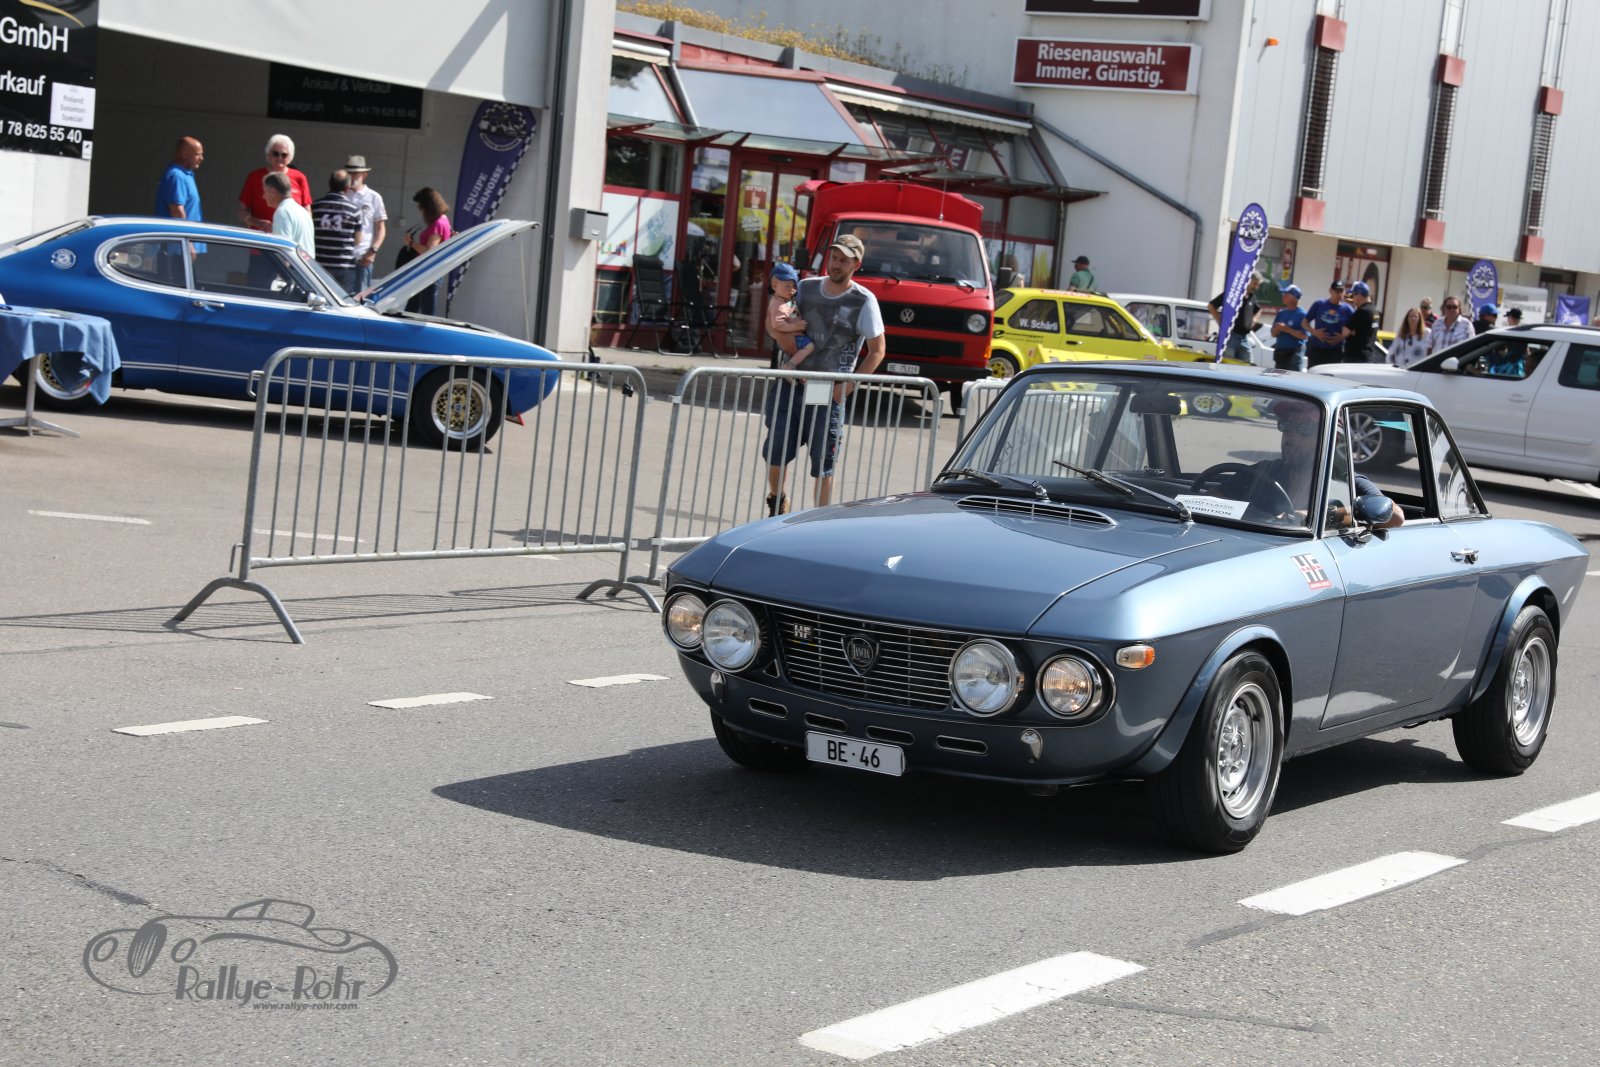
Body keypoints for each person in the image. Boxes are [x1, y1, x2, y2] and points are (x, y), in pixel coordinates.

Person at [762, 233, 886, 514]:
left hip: (826, 389)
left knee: (822, 463)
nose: (836, 264)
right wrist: (781, 338)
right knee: (776, 451)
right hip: (791, 383)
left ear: (856, 264)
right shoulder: (805, 288)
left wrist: (847, 389)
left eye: (844, 260)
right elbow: (773, 321)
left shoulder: (863, 300)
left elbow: (877, 351)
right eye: (834, 257)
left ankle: (820, 520)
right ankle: (777, 501)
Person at [1210, 400, 1403, 529]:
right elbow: (1209, 501)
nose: (1291, 437)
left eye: (1304, 428)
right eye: (1286, 425)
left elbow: (1395, 515)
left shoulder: (1347, 482)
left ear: (1332, 439)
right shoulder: (1262, 473)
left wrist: (1319, 517)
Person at [238, 133, 311, 232]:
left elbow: (307, 212)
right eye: (275, 154)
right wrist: (257, 223)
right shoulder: (254, 177)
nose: (279, 158)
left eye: (284, 155)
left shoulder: (300, 178)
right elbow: (242, 211)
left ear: (290, 157)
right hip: (260, 235)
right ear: (268, 154)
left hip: (288, 237)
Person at [311, 170, 361, 293]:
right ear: (347, 188)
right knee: (342, 300)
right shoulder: (354, 210)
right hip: (344, 265)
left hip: (319, 264)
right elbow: (358, 240)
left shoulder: (315, 206)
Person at [404, 188, 452, 315]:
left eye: (421, 207)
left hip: (429, 274)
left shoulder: (438, 224)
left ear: (428, 207)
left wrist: (411, 243)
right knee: (411, 311)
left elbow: (429, 251)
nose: (420, 211)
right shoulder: (444, 220)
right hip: (427, 273)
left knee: (424, 313)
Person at [344, 155, 388, 293]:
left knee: (360, 297)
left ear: (364, 175)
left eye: (356, 173)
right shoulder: (342, 195)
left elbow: (381, 228)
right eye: (349, 173)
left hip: (363, 257)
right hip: (342, 257)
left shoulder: (374, 197)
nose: (352, 177)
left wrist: (372, 251)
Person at [765, 261, 814, 369]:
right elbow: (778, 324)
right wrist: (796, 326)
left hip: (794, 334)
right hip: (794, 336)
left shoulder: (784, 299)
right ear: (774, 286)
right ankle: (790, 365)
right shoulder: (779, 305)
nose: (792, 289)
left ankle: (791, 366)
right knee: (809, 347)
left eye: (794, 286)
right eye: (787, 286)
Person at [1208, 271, 1263, 363]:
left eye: (1258, 285)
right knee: (1229, 366)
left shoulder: (1251, 296)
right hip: (1231, 336)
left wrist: (1254, 320)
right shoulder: (1233, 293)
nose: (1256, 287)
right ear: (1248, 281)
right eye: (1255, 284)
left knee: (1247, 366)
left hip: (1244, 338)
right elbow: (1211, 306)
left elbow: (1259, 310)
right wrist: (1220, 322)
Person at [264, 171, 314, 257]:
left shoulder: (282, 212)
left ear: (273, 192)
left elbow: (282, 252)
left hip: (292, 264)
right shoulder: (303, 212)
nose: (263, 196)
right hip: (305, 264)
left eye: (265, 191)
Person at [1304, 280, 1353, 367]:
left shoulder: (1348, 310)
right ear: (1330, 291)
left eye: (1341, 291)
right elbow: (1304, 322)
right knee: (1314, 373)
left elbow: (1353, 329)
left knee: (1331, 375)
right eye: (1336, 291)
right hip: (1317, 349)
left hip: (1335, 351)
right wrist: (1314, 332)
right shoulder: (1319, 304)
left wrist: (1342, 337)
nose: (1339, 294)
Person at [155, 136, 204, 221]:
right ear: (184, 154)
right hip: (182, 230)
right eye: (198, 155)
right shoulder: (176, 176)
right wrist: (187, 230)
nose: (201, 158)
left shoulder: (186, 174)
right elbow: (177, 213)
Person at [1268, 284, 1309, 370]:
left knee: (1292, 376)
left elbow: (1304, 336)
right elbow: (1273, 334)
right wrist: (1276, 330)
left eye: (1286, 294)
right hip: (1280, 352)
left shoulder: (1302, 314)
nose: (1283, 296)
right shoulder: (1281, 313)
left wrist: (1286, 329)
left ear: (1294, 297)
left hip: (1294, 353)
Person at [1342, 281, 1380, 363]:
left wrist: (1351, 332)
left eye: (1353, 295)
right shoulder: (1375, 311)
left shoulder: (1362, 311)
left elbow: (1345, 332)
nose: (1353, 298)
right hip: (1368, 357)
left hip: (1355, 358)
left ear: (1359, 295)